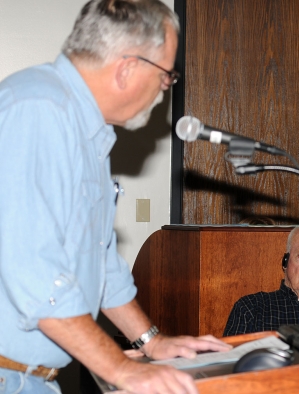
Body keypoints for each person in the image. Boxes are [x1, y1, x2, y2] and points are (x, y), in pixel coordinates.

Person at [0, 1, 231, 393]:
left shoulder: (86, 130)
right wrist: (122, 370)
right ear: (127, 68)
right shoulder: (39, 111)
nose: (164, 93)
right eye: (166, 77)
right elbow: (34, 275)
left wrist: (152, 341)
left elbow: (99, 265)